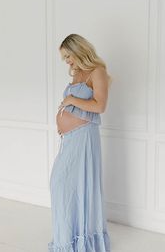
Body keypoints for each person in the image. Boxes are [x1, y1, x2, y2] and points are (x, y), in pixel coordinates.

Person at [48, 33, 112, 251]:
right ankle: (66, 240)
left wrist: (71, 100)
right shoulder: (76, 75)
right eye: (65, 58)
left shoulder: (98, 72)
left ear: (78, 50)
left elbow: (100, 106)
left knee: (76, 187)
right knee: (60, 186)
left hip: (85, 139)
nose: (67, 62)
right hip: (70, 140)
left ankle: (84, 241)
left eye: (68, 56)